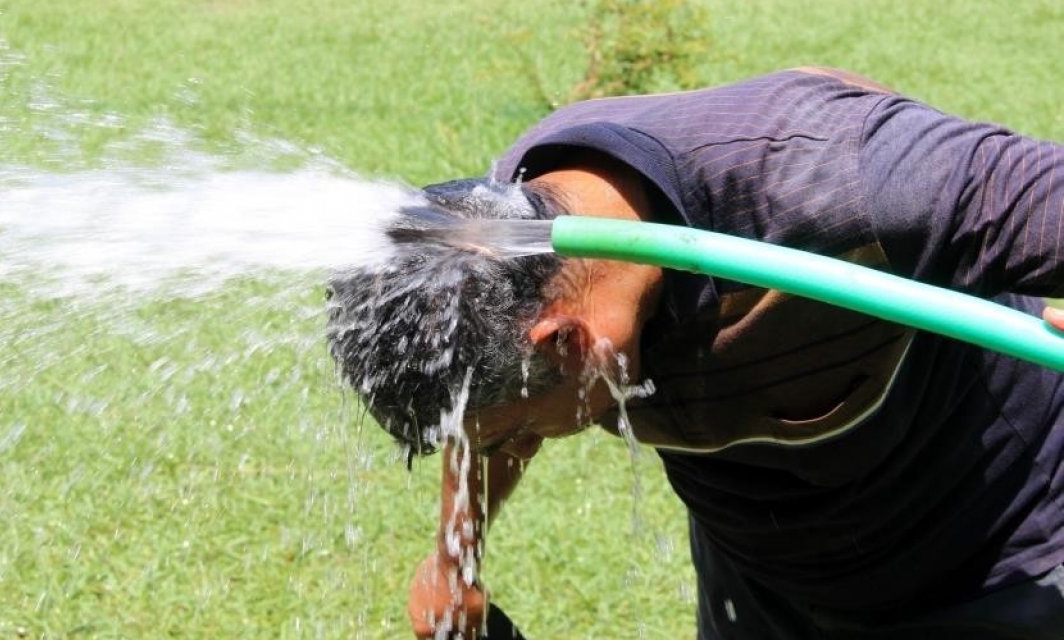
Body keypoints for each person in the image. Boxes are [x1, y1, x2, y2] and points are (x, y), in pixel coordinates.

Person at [325, 67, 1064, 639]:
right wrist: (455, 558)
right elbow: (479, 406)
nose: (517, 446)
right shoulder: (510, 240)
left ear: (568, 342)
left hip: (993, 548)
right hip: (763, 575)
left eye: (522, 431)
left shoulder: (851, 179)